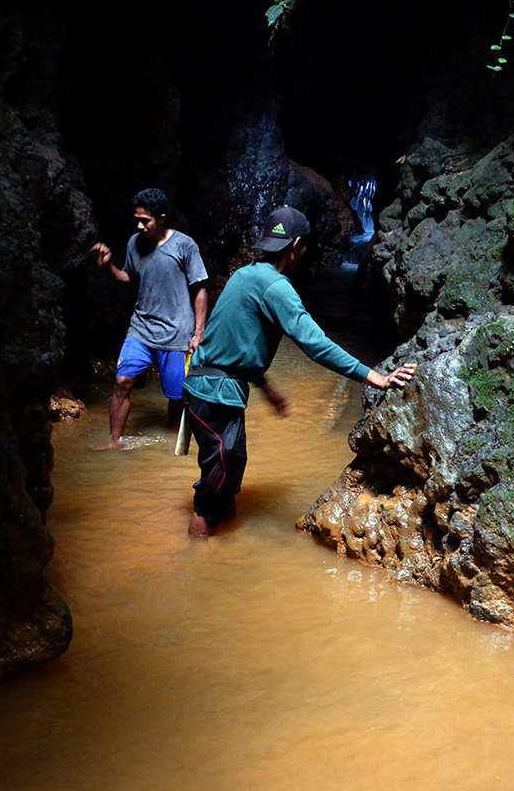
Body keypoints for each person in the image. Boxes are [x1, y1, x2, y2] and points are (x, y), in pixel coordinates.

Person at [182, 206, 417, 536]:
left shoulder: (244, 274)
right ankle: (193, 566)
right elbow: (316, 344)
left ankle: (221, 560)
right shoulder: (277, 286)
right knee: (213, 489)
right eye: (305, 246)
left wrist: (267, 387)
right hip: (215, 395)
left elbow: (232, 344)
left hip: (205, 390)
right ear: (296, 245)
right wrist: (373, 376)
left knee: (229, 474)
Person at [91, 188, 208, 448]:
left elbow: (200, 289)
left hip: (177, 333)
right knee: (122, 382)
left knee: (177, 397)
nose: (139, 225)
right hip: (141, 329)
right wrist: (107, 267)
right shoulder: (135, 243)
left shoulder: (185, 245)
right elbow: (129, 278)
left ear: (162, 219)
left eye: (146, 220)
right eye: (137, 219)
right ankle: (114, 443)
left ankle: (172, 449)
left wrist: (198, 333)